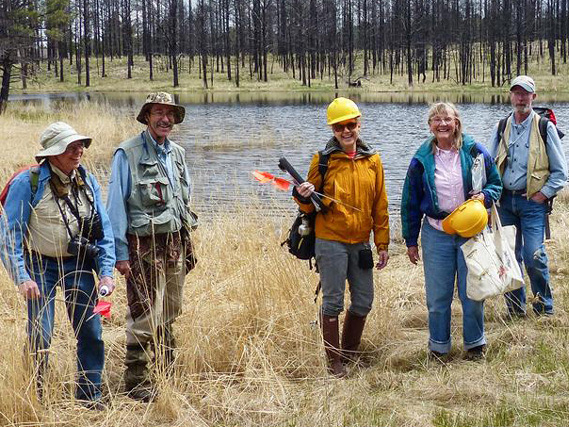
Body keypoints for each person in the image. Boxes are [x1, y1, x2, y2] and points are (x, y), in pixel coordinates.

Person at [0, 122, 116, 408]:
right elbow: (9, 234)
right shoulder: (28, 183)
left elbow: (104, 231)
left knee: (91, 331)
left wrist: (106, 272)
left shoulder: (87, 181)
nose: (79, 151)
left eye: (80, 145)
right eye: (71, 147)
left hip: (78, 264)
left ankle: (91, 395)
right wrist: (22, 277)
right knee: (41, 333)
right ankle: (35, 395)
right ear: (52, 154)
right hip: (40, 266)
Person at [107, 92, 194, 401]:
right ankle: (136, 380)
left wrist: (187, 244)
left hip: (174, 243)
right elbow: (115, 207)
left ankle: (166, 370)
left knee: (171, 307)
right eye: (159, 112)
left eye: (170, 114)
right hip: (141, 247)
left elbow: (183, 201)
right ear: (147, 116)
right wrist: (119, 254)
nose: (165, 119)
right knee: (142, 311)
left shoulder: (178, 154)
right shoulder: (126, 154)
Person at [294, 97, 389, 377]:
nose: (346, 131)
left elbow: (380, 206)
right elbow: (306, 206)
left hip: (360, 243)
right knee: (333, 302)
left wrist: (382, 243)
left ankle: (349, 353)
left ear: (359, 124)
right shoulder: (322, 161)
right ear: (333, 130)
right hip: (330, 241)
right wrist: (304, 196)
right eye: (339, 127)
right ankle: (334, 362)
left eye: (351, 125)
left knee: (363, 301)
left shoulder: (373, 161)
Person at [401, 102, 502, 359]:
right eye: (436, 120)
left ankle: (475, 345)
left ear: (456, 122)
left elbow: (496, 183)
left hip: (471, 230)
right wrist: (410, 240)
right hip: (436, 232)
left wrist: (485, 196)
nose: (442, 124)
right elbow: (410, 201)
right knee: (438, 296)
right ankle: (438, 347)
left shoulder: (475, 150)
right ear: (430, 126)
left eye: (447, 119)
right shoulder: (421, 159)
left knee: (473, 292)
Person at [489, 75, 568, 317]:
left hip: (533, 204)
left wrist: (543, 194)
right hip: (504, 204)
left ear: (534, 97)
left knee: (533, 255)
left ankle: (544, 307)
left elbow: (560, 173)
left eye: (525, 93)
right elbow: (488, 164)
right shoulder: (501, 126)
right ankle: (515, 309)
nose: (520, 98)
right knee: (508, 257)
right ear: (511, 96)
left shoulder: (545, 127)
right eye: (516, 93)